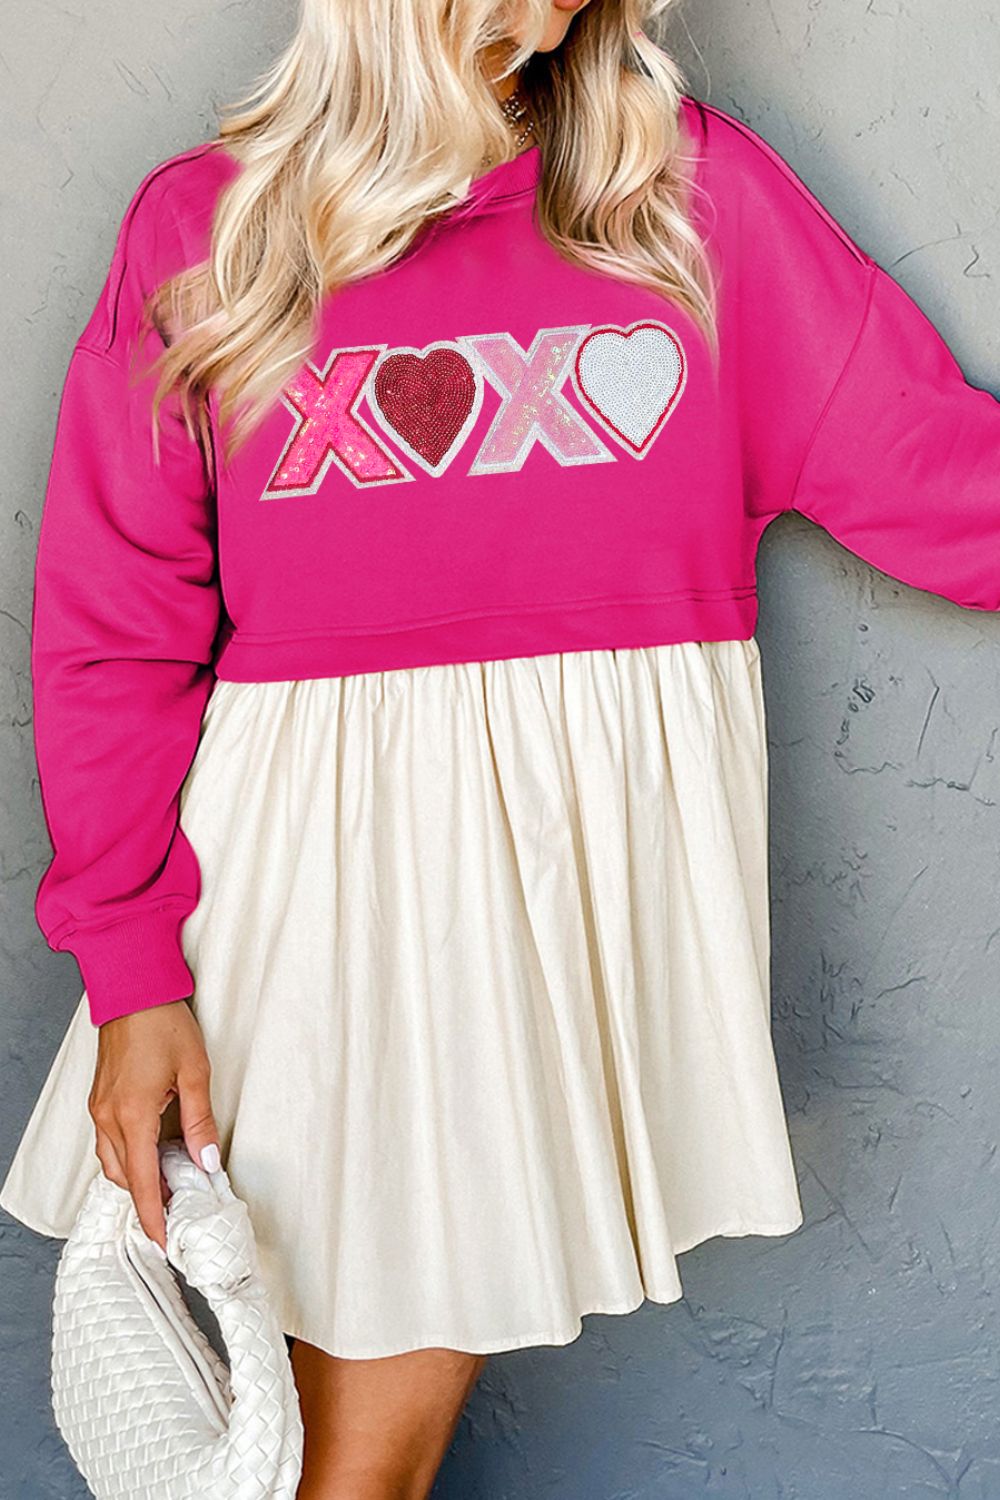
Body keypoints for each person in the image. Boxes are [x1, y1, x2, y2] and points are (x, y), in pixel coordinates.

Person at [3, 0, 999, 1494]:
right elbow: (114, 634)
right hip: (301, 923)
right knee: (345, 1472)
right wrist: (132, 971)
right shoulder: (211, 231)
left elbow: (932, 467)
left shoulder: (685, 203)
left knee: (348, 1468)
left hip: (544, 928)